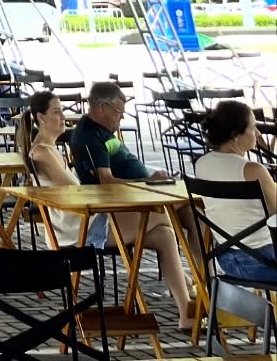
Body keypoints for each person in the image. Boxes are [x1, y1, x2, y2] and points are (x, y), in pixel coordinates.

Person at [38, 84, 193, 327]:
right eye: (57, 112)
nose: (63, 116)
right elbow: (81, 189)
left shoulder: (51, 151)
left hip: (88, 220)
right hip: (78, 231)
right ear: (40, 118)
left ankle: (186, 309)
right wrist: (146, 182)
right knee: (167, 214)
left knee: (164, 234)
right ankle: (198, 284)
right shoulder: (42, 153)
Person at [191, 99, 277, 285]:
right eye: (253, 127)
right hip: (265, 262)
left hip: (227, 260)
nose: (258, 133)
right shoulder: (253, 170)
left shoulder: (201, 164)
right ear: (235, 135)